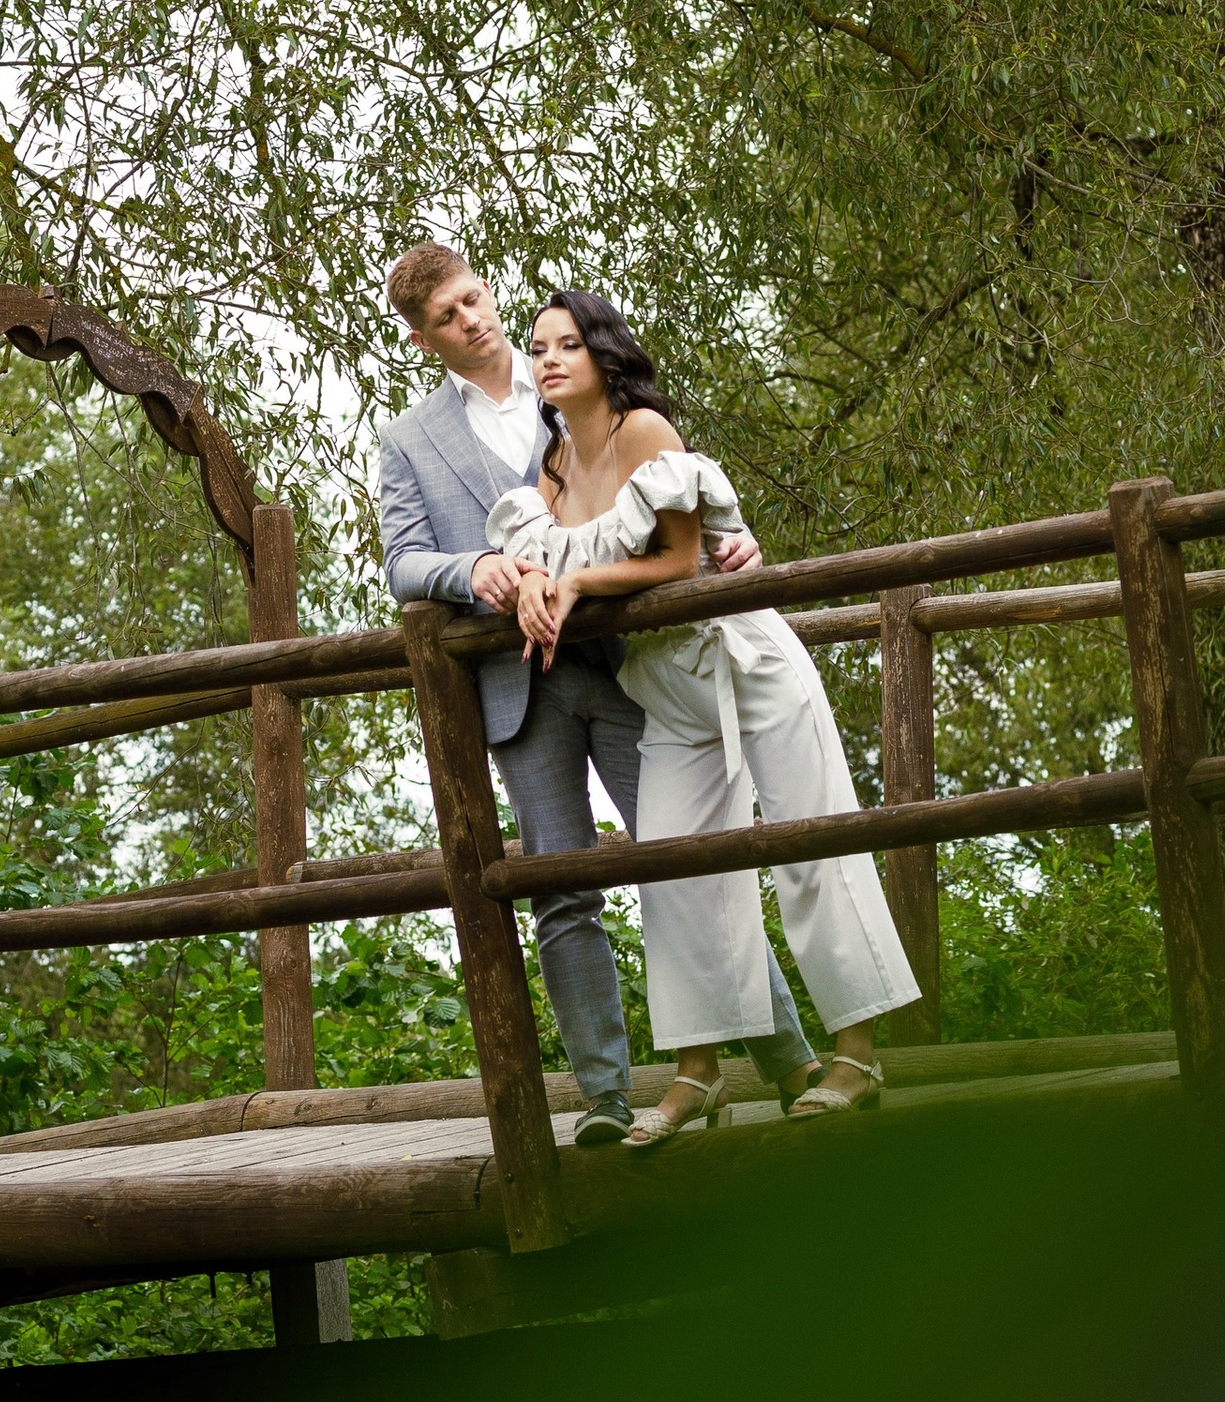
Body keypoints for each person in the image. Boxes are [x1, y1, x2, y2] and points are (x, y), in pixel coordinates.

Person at [376, 242, 820, 1143]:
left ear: (486, 288)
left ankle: (788, 1061)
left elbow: (673, 490)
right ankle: (608, 1099)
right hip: (515, 689)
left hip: (628, 663)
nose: (471, 319)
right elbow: (402, 562)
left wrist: (734, 543)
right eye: (446, 317)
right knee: (562, 895)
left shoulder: (577, 382)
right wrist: (483, 566)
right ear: (425, 340)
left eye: (472, 298)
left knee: (686, 859)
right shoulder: (407, 440)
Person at [488, 288, 922, 1147]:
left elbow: (682, 561)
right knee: (675, 872)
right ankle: (698, 1074)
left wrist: (578, 583)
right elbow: (536, 548)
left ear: (601, 352)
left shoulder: (644, 430)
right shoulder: (552, 469)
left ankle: (858, 1055)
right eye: (537, 347)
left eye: (566, 344)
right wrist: (537, 579)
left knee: (810, 845)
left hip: (744, 661)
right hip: (663, 683)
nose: (547, 360)